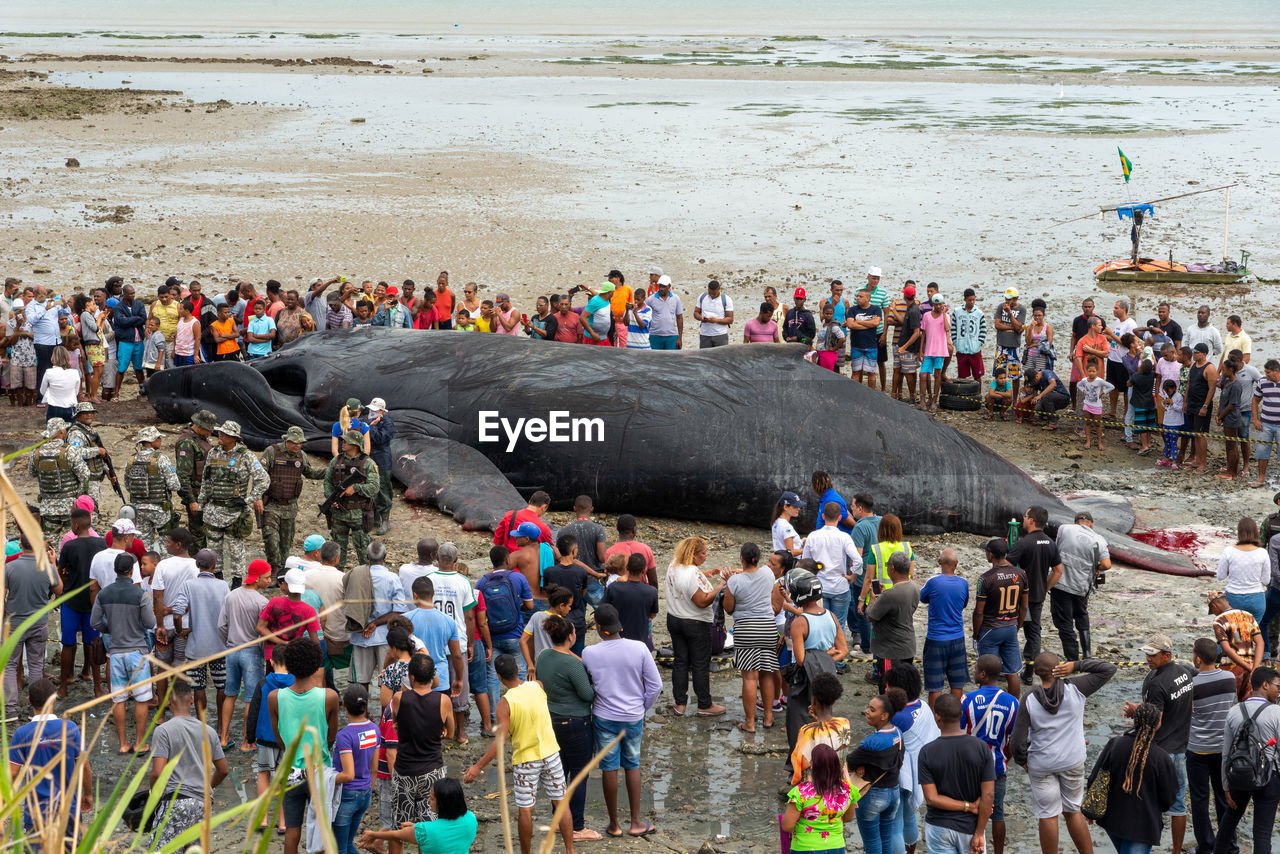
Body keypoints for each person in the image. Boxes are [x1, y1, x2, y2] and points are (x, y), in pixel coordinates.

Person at [463, 654, 577, 854]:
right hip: (551, 753)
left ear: (498, 677)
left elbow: (500, 742)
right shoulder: (538, 686)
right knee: (560, 802)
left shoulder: (504, 703)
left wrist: (477, 766)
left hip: (526, 761)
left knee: (526, 810)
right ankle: (570, 850)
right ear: (518, 668)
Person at [1009, 653, 1117, 854]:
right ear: (1059, 668)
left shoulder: (1029, 699)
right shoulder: (1076, 688)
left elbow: (1016, 741)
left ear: (1037, 673)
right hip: (1072, 760)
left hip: (1042, 763)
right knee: (1073, 812)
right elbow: (1109, 669)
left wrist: (1023, 761)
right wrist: (1076, 665)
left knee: (1048, 815)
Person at [581, 604, 662, 838]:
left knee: (609, 767)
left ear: (598, 628)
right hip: (633, 716)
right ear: (619, 625)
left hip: (604, 717)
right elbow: (656, 685)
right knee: (632, 764)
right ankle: (635, 821)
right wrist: (642, 707)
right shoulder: (639, 649)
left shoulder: (590, 653)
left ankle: (614, 824)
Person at [1122, 634, 1196, 854]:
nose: (1148, 658)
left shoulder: (1157, 683)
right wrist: (1144, 708)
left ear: (1166, 656)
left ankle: (1143, 847)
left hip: (1160, 751)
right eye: (1147, 653)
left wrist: (1137, 713)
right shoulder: (1185, 674)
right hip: (1181, 749)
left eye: (1153, 655)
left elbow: (1156, 721)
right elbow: (1186, 707)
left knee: (1148, 804)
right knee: (1178, 805)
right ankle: (1176, 851)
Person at [269, 637, 340, 854]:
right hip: (319, 771)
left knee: (292, 831)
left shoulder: (275, 697)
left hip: (290, 770)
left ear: (288, 664)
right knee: (319, 830)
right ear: (318, 663)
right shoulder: (329, 697)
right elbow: (331, 737)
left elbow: (279, 737)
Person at [535, 614, 600, 841]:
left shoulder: (543, 655)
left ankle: (558, 820)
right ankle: (577, 827)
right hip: (575, 723)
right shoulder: (573, 664)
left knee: (559, 773)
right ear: (571, 636)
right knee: (579, 775)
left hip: (550, 719)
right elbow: (588, 694)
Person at [1085, 701, 1178, 854]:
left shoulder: (1115, 744)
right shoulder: (1161, 758)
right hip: (1142, 828)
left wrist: (1091, 810)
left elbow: (1095, 777)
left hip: (1113, 821)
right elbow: (1169, 797)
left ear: (1135, 721)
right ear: (1158, 724)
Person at [149, 679, 230, 846]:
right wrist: (207, 786)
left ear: (168, 701)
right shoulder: (209, 731)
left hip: (175, 802)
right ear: (192, 700)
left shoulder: (163, 730)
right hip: (202, 804)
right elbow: (223, 770)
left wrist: (153, 795)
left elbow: (158, 773)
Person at [90, 552, 157, 754]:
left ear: (114, 570)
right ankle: (140, 742)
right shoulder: (140, 595)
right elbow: (150, 623)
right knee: (142, 698)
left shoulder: (104, 594)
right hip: (137, 652)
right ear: (132, 571)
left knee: (118, 699)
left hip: (116, 652)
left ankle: (122, 743)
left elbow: (95, 622)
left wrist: (111, 629)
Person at [8, 679, 92, 837]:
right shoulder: (70, 728)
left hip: (36, 814)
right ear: (54, 699)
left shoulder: (22, 734)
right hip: (68, 812)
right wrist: (88, 794)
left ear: (29, 701)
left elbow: (12, 774)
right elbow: (84, 766)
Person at [1214, 666, 1280, 854]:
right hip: (1269, 777)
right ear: (1265, 685)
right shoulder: (1276, 713)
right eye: (1277, 686)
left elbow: (1225, 753)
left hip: (1239, 774)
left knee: (1229, 821)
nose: (1279, 690)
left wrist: (1226, 786)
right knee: (1262, 832)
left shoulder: (1234, 711)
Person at [917, 693, 995, 854]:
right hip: (971, 828)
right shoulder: (981, 748)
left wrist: (969, 807)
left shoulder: (926, 752)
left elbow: (931, 798)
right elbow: (988, 796)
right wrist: (979, 833)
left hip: (939, 826)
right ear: (961, 715)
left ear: (936, 716)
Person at [170, 548, 232, 742]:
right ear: (214, 566)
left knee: (199, 688)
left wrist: (181, 631)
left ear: (197, 564)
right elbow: (228, 614)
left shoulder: (189, 585)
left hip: (196, 646)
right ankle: (222, 728)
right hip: (219, 645)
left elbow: (178, 613)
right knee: (222, 686)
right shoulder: (223, 586)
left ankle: (202, 728)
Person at [391, 653, 453, 841]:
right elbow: (450, 733)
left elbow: (396, 724)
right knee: (428, 830)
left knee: (399, 830)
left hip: (404, 772)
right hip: (432, 772)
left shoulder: (400, 698)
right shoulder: (443, 701)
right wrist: (441, 731)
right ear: (432, 676)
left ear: (411, 677)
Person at [664, 536, 728, 716]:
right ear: (693, 555)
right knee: (700, 664)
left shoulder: (674, 565)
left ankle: (680, 703)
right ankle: (704, 704)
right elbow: (702, 601)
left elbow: (686, 582)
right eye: (703, 553)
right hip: (695, 622)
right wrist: (721, 586)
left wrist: (706, 573)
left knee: (680, 661)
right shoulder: (692, 573)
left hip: (674, 618)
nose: (706, 555)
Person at [1186, 637, 1240, 854]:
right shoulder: (1229, 678)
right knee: (1224, 797)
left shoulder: (1193, 684)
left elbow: (1189, 712)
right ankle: (1228, 844)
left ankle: (1206, 846)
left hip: (1197, 748)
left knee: (1199, 801)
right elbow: (1231, 705)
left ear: (1198, 659)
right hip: (1223, 749)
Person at [199, 420, 268, 583]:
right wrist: (201, 506)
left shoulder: (246, 456)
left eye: (224, 434)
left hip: (234, 513)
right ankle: (216, 579)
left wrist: (248, 500)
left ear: (234, 438)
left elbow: (264, 480)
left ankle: (237, 581)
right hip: (213, 511)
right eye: (220, 433)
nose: (220, 436)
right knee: (213, 550)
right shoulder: (213, 453)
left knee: (235, 550)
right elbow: (205, 480)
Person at [962, 655, 1019, 854]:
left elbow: (959, 733)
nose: (974, 672)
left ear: (983, 675)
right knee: (998, 813)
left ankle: (973, 847)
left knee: (970, 810)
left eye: (976, 669)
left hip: (970, 767)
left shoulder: (967, 700)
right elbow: (1014, 740)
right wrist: (1004, 758)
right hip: (997, 766)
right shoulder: (1012, 702)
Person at [4, 533, 63, 722]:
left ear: (20, 544)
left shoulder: (9, 567)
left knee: (10, 665)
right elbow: (59, 591)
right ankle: (36, 708)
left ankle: (10, 710)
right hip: (39, 622)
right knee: (36, 664)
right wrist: (54, 564)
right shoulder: (46, 567)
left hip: (14, 623)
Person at [724, 543, 780, 731]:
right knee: (767, 674)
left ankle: (749, 722)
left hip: (746, 629)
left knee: (749, 677)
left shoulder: (734, 582)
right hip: (767, 627)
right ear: (759, 557)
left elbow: (729, 608)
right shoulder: (768, 573)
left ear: (741, 558)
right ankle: (768, 717)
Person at [219, 557, 272, 751]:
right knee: (251, 698)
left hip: (231, 650)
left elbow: (221, 625)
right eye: (266, 578)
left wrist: (228, 642)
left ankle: (224, 738)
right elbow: (264, 631)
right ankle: (246, 741)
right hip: (251, 652)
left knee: (230, 694)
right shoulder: (262, 602)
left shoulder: (231, 596)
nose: (269, 581)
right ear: (256, 578)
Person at [351, 542, 412, 708]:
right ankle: (386, 720)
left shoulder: (355, 575)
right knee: (388, 681)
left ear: (367, 557)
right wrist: (376, 623)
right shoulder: (392, 578)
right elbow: (399, 611)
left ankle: (361, 716)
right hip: (385, 637)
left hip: (360, 635)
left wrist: (368, 623)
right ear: (385, 557)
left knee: (360, 682)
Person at [56, 508, 107, 698]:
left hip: (71, 602)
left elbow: (61, 572)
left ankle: (63, 687)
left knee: (68, 644)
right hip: (93, 602)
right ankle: (97, 688)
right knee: (92, 643)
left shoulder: (69, 546)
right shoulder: (101, 544)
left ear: (76, 525)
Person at [259, 426, 326, 571]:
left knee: (285, 542)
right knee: (271, 537)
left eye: (300, 443)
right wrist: (257, 498)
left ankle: (283, 569)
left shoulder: (301, 455)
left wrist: (330, 470)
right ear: (287, 441)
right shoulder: (272, 452)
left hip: (290, 507)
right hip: (271, 504)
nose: (298, 446)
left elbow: (311, 473)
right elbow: (260, 475)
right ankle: (274, 569)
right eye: (295, 443)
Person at [1008, 505, 1063, 680]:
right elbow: (1058, 571)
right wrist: (1045, 587)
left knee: (1010, 630)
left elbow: (1006, 568)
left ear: (1031, 520)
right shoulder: (1050, 543)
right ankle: (1030, 672)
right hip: (1037, 597)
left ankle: (1008, 669)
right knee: (1033, 633)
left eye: (1025, 516)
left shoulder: (1023, 543)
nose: (1023, 519)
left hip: (1018, 597)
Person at [849, 692, 907, 854]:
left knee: (872, 842)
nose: (867, 711)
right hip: (894, 794)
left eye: (872, 710)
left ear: (884, 716)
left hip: (873, 796)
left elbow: (850, 761)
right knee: (886, 839)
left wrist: (861, 765)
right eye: (868, 707)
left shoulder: (872, 742)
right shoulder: (898, 733)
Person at [359, 777, 477, 854]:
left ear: (442, 803)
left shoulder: (426, 831)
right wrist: (417, 827)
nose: (428, 800)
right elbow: (444, 831)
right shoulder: (471, 819)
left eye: (431, 798)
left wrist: (373, 834)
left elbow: (396, 834)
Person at [1051, 511, 1110, 660]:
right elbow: (1106, 564)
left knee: (1064, 622)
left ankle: (1072, 660)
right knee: (1081, 614)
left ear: (1075, 522)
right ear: (1091, 524)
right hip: (1082, 586)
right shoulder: (1099, 539)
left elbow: (1056, 551)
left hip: (1061, 583)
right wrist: (1095, 568)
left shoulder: (1064, 529)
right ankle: (1087, 654)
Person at [973, 538, 1027, 700]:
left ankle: (985, 706)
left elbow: (979, 611)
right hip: (1010, 626)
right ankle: (1014, 707)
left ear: (990, 554)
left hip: (990, 629)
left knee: (986, 673)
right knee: (1013, 672)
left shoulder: (985, 578)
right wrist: (1016, 626)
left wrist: (976, 634)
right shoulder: (1021, 573)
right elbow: (1024, 606)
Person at [803, 501, 864, 641]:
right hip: (840, 586)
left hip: (820, 586)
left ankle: (824, 657)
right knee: (839, 625)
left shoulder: (813, 536)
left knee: (821, 624)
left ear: (823, 516)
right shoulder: (844, 537)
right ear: (840, 518)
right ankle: (839, 660)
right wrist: (853, 575)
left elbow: (805, 562)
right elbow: (858, 560)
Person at [782, 744, 860, 853]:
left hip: (805, 847)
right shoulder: (847, 790)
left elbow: (787, 826)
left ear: (813, 765)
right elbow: (848, 818)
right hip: (836, 846)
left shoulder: (801, 792)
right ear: (837, 765)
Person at [331, 685, 380, 854]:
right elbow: (374, 768)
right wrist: (368, 788)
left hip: (346, 796)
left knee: (339, 848)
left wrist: (322, 778)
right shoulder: (375, 729)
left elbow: (348, 774)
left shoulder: (344, 736)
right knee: (348, 845)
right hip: (364, 794)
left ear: (343, 705)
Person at [323, 430, 379, 569]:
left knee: (362, 549)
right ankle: (337, 578)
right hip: (338, 513)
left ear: (355, 445)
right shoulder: (336, 461)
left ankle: (366, 577)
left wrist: (356, 488)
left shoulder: (368, 463)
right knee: (337, 549)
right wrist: (331, 498)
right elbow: (328, 482)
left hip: (359, 514)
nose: (343, 443)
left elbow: (374, 487)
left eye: (346, 441)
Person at [920, 548, 969, 706]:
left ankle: (935, 722)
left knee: (935, 686)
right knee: (957, 684)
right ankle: (954, 720)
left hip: (936, 639)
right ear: (956, 564)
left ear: (939, 562)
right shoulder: (963, 583)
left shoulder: (933, 582)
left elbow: (922, 597)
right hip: (957, 638)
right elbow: (964, 604)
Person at [477, 546, 535, 676]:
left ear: (492, 561)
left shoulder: (482, 582)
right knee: (520, 670)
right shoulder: (518, 578)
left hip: (492, 635)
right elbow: (530, 605)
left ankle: (494, 697)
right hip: (515, 632)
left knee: (492, 674)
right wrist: (518, 608)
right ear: (508, 559)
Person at [122, 425, 181, 554]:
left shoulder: (131, 460)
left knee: (143, 547)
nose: (160, 440)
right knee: (167, 546)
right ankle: (165, 572)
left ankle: (145, 570)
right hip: (160, 509)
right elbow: (175, 485)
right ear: (151, 441)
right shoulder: (161, 459)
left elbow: (127, 485)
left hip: (138, 509)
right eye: (158, 438)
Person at [30, 418, 90, 540]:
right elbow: (85, 474)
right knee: (73, 540)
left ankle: (53, 559)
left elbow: (32, 473)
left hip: (47, 505)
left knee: (50, 542)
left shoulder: (36, 452)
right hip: (70, 505)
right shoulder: (69, 451)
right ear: (61, 432)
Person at [867, 552, 920, 688]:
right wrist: (883, 597)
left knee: (888, 689)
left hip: (890, 650)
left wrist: (872, 600)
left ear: (892, 568)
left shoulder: (890, 595)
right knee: (903, 687)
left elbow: (871, 616)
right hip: (907, 646)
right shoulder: (913, 586)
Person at [257, 567, 322, 663]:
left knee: (272, 678)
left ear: (285, 585)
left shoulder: (275, 602)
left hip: (274, 658)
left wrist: (283, 643)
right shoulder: (309, 611)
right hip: (295, 658)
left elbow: (260, 628)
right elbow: (315, 641)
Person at [174, 409, 217, 550]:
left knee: (204, 532)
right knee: (197, 534)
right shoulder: (187, 443)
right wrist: (191, 500)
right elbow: (182, 475)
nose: (210, 433)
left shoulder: (201, 439)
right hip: (195, 495)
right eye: (208, 429)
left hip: (204, 494)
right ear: (198, 426)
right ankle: (196, 563)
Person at [1210, 594, 1263, 701]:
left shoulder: (1219, 620)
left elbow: (1227, 649)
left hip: (1230, 667)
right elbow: (1260, 643)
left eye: (1212, 611)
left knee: (1227, 704)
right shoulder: (1248, 615)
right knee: (1248, 703)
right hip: (1252, 664)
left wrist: (1248, 667)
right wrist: (1255, 668)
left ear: (1214, 605)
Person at [1217, 517, 1269, 625]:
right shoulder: (1263, 553)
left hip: (1233, 597)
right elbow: (1266, 581)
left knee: (1231, 634)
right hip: (1256, 598)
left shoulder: (1229, 551)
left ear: (1239, 532)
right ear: (1256, 532)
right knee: (1250, 634)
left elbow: (1220, 576)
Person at [600, 553, 659, 648]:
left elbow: (603, 608)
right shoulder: (651, 591)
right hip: (640, 639)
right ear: (644, 570)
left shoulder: (613, 588)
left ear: (627, 568)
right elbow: (652, 615)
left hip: (617, 636)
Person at [558, 495, 608, 605]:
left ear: (574, 508)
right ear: (591, 509)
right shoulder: (598, 530)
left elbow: (560, 558)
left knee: (576, 611)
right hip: (592, 580)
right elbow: (602, 557)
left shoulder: (563, 532)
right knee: (604, 611)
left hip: (571, 580)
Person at [1184, 343, 1219, 474]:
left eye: (1197, 352)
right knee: (1194, 433)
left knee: (1200, 434)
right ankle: (1197, 460)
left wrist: (1205, 406)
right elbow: (1189, 383)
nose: (1194, 354)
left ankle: (1203, 464)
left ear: (1204, 354)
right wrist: (1185, 401)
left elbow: (1212, 388)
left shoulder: (1209, 368)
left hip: (1201, 404)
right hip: (1191, 403)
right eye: (1194, 352)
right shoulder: (1193, 365)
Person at [1252, 358, 1280, 487]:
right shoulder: (1262, 381)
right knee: (1262, 452)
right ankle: (1261, 478)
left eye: (1268, 372)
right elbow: (1255, 400)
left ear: (1276, 371)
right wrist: (1256, 419)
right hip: (1265, 424)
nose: (1266, 375)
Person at [645, 276, 683, 350]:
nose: (661, 288)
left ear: (669, 286)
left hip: (672, 336)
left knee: (671, 359)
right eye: (660, 286)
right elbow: (645, 317)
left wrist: (680, 338)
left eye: (664, 286)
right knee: (654, 359)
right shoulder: (650, 300)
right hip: (654, 336)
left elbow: (679, 318)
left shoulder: (676, 299)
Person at [694, 279, 733, 348]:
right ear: (708, 289)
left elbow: (730, 319)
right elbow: (696, 312)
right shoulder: (702, 296)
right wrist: (701, 318)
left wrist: (716, 320)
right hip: (705, 335)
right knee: (704, 357)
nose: (711, 295)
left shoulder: (727, 299)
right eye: (709, 293)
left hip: (720, 335)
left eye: (714, 294)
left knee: (721, 358)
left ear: (719, 289)